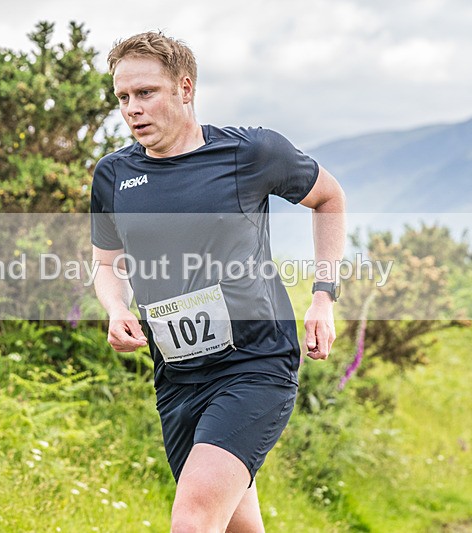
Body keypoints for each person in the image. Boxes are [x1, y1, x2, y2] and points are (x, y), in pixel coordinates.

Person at [90, 31, 346, 532]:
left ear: (185, 89)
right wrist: (117, 310)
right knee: (235, 526)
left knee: (192, 518)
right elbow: (106, 265)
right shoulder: (114, 174)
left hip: (255, 364)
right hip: (178, 375)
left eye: (146, 93)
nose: (132, 109)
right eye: (123, 98)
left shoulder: (250, 153)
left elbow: (330, 197)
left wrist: (324, 297)